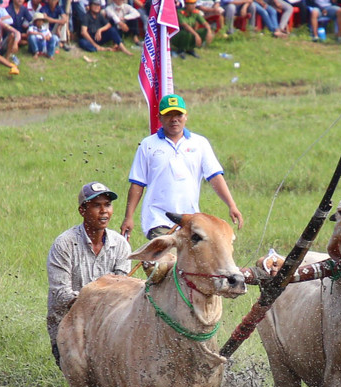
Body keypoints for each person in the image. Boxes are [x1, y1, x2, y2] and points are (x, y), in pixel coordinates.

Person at [120, 94, 243, 239]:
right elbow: (137, 184)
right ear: (159, 118)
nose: (174, 119)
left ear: (186, 116)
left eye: (178, 114)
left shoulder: (199, 143)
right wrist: (129, 217)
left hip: (190, 219)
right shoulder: (147, 145)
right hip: (158, 219)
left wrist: (231, 205)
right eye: (168, 115)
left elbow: (215, 176)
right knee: (170, 259)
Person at [46, 181, 132, 363]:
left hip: (106, 327)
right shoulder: (64, 244)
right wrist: (101, 300)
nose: (104, 211)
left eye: (107, 205)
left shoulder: (121, 245)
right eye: (96, 206)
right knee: (82, 381)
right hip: (68, 326)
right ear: (82, 211)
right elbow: (61, 294)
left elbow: (122, 291)